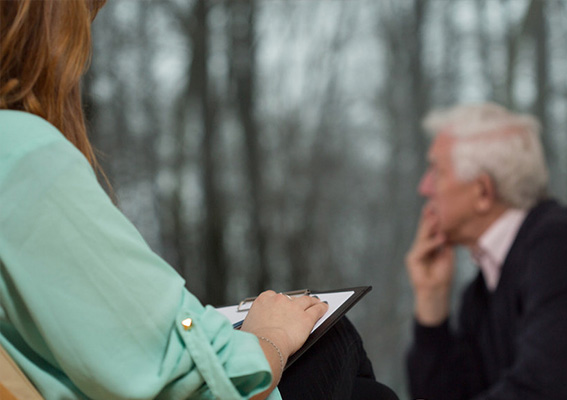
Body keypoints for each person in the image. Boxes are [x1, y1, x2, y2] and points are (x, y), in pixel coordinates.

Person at [0, 1, 398, 399]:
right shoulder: (22, 154)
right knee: (329, 336)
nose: (82, 50)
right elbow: (183, 370)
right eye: (82, 19)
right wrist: (272, 335)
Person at [405, 102, 567, 400]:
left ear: (482, 191)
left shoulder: (566, 246)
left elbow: (541, 391)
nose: (424, 187)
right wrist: (431, 299)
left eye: (436, 171)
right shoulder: (481, 291)